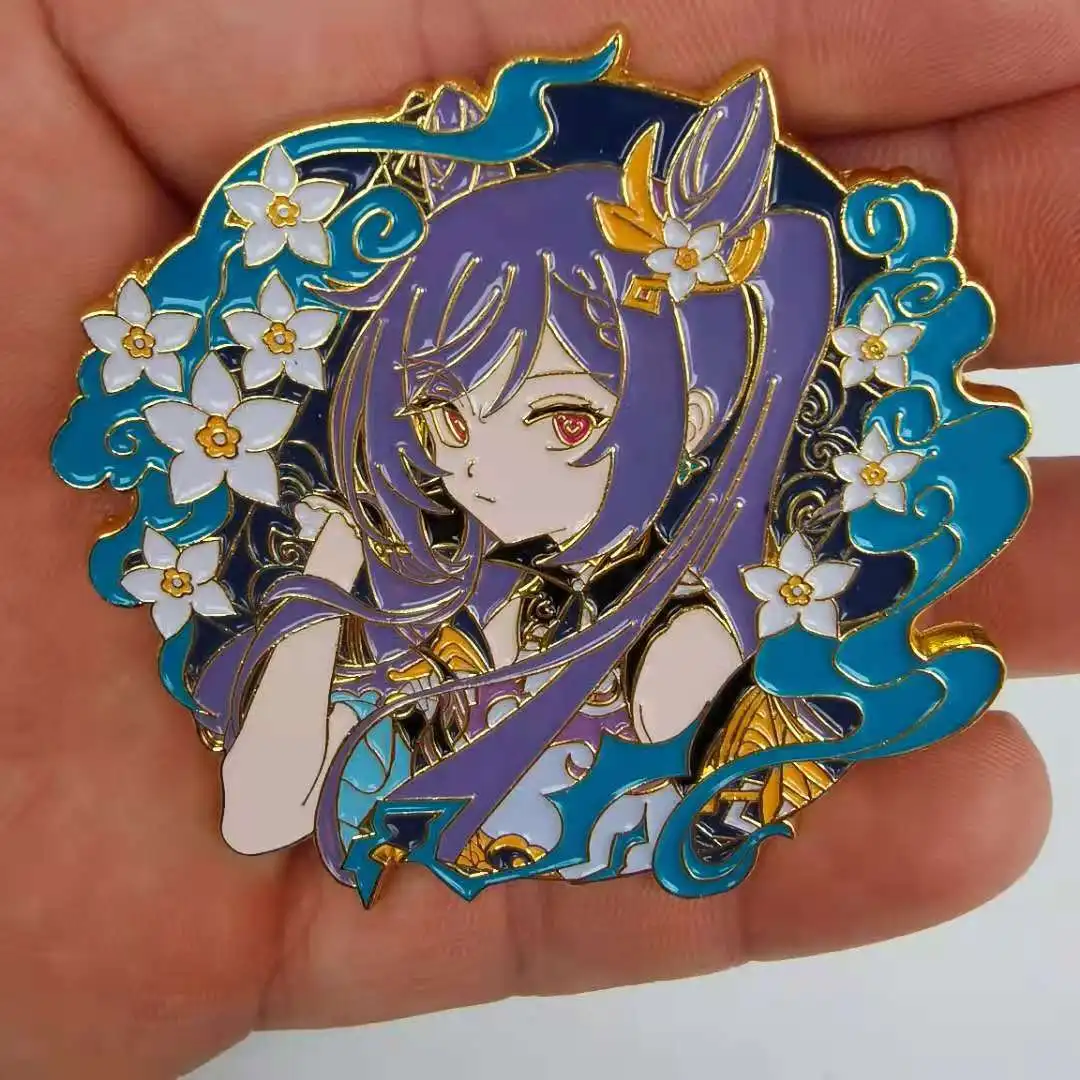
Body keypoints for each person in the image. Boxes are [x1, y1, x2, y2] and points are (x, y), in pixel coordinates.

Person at [1, 1, 1075, 1075]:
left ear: (696, 419)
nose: (475, 467)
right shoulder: (419, 610)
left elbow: (673, 734)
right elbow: (259, 817)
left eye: (560, 418)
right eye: (445, 417)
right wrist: (320, 584)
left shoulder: (689, 637)